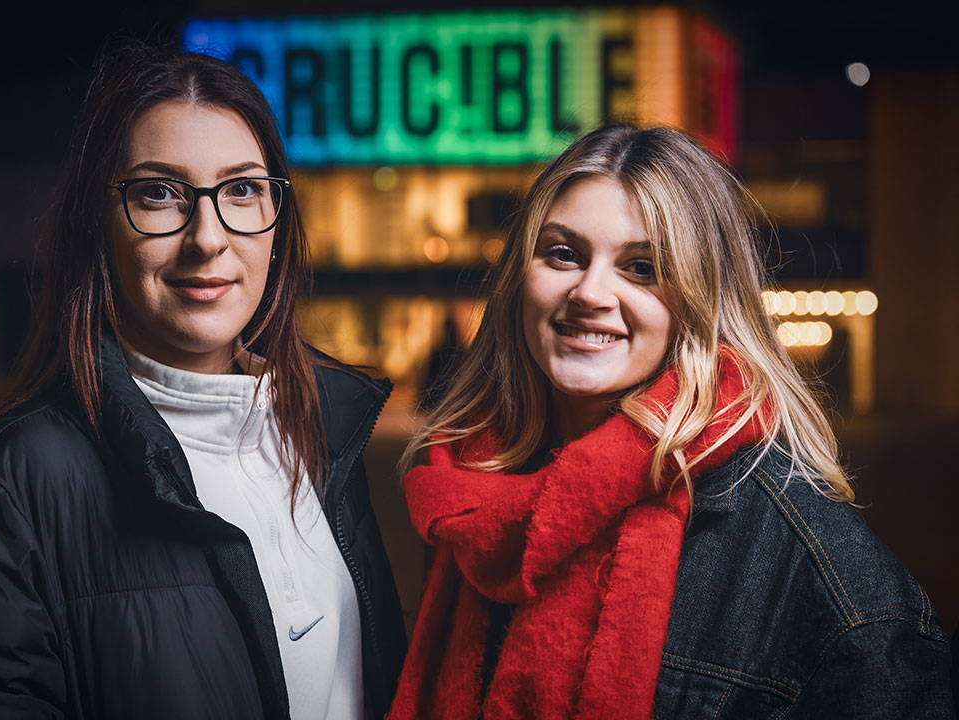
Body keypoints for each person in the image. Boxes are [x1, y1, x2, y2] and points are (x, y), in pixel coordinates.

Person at [0, 45, 406, 720]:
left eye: (242, 189)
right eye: (159, 193)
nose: (208, 237)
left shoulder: (323, 442)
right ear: (97, 225)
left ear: (280, 219)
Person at [388, 124, 955, 719]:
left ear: (703, 299)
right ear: (517, 279)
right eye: (563, 253)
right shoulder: (474, 503)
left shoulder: (817, 563)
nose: (590, 292)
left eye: (641, 267)